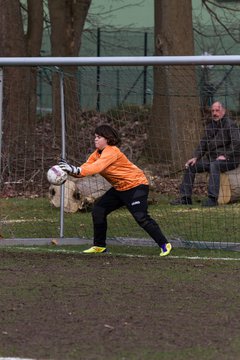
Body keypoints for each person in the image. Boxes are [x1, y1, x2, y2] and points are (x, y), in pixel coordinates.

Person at [59, 124, 172, 256]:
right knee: (98, 211)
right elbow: (84, 170)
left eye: (99, 137)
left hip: (136, 185)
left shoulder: (112, 151)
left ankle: (164, 244)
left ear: (107, 139)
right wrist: (69, 170)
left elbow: (97, 167)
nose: (95, 139)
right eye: (95, 136)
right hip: (120, 188)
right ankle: (99, 246)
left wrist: (75, 169)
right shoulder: (95, 154)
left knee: (141, 217)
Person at [170, 101, 240, 207]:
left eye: (217, 110)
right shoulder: (210, 126)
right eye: (213, 111)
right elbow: (203, 143)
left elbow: (237, 142)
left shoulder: (230, 124)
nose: (214, 113)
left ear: (223, 111)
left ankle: (212, 199)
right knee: (191, 166)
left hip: (231, 160)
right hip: (213, 159)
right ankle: (185, 198)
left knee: (214, 165)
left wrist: (225, 155)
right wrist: (195, 157)